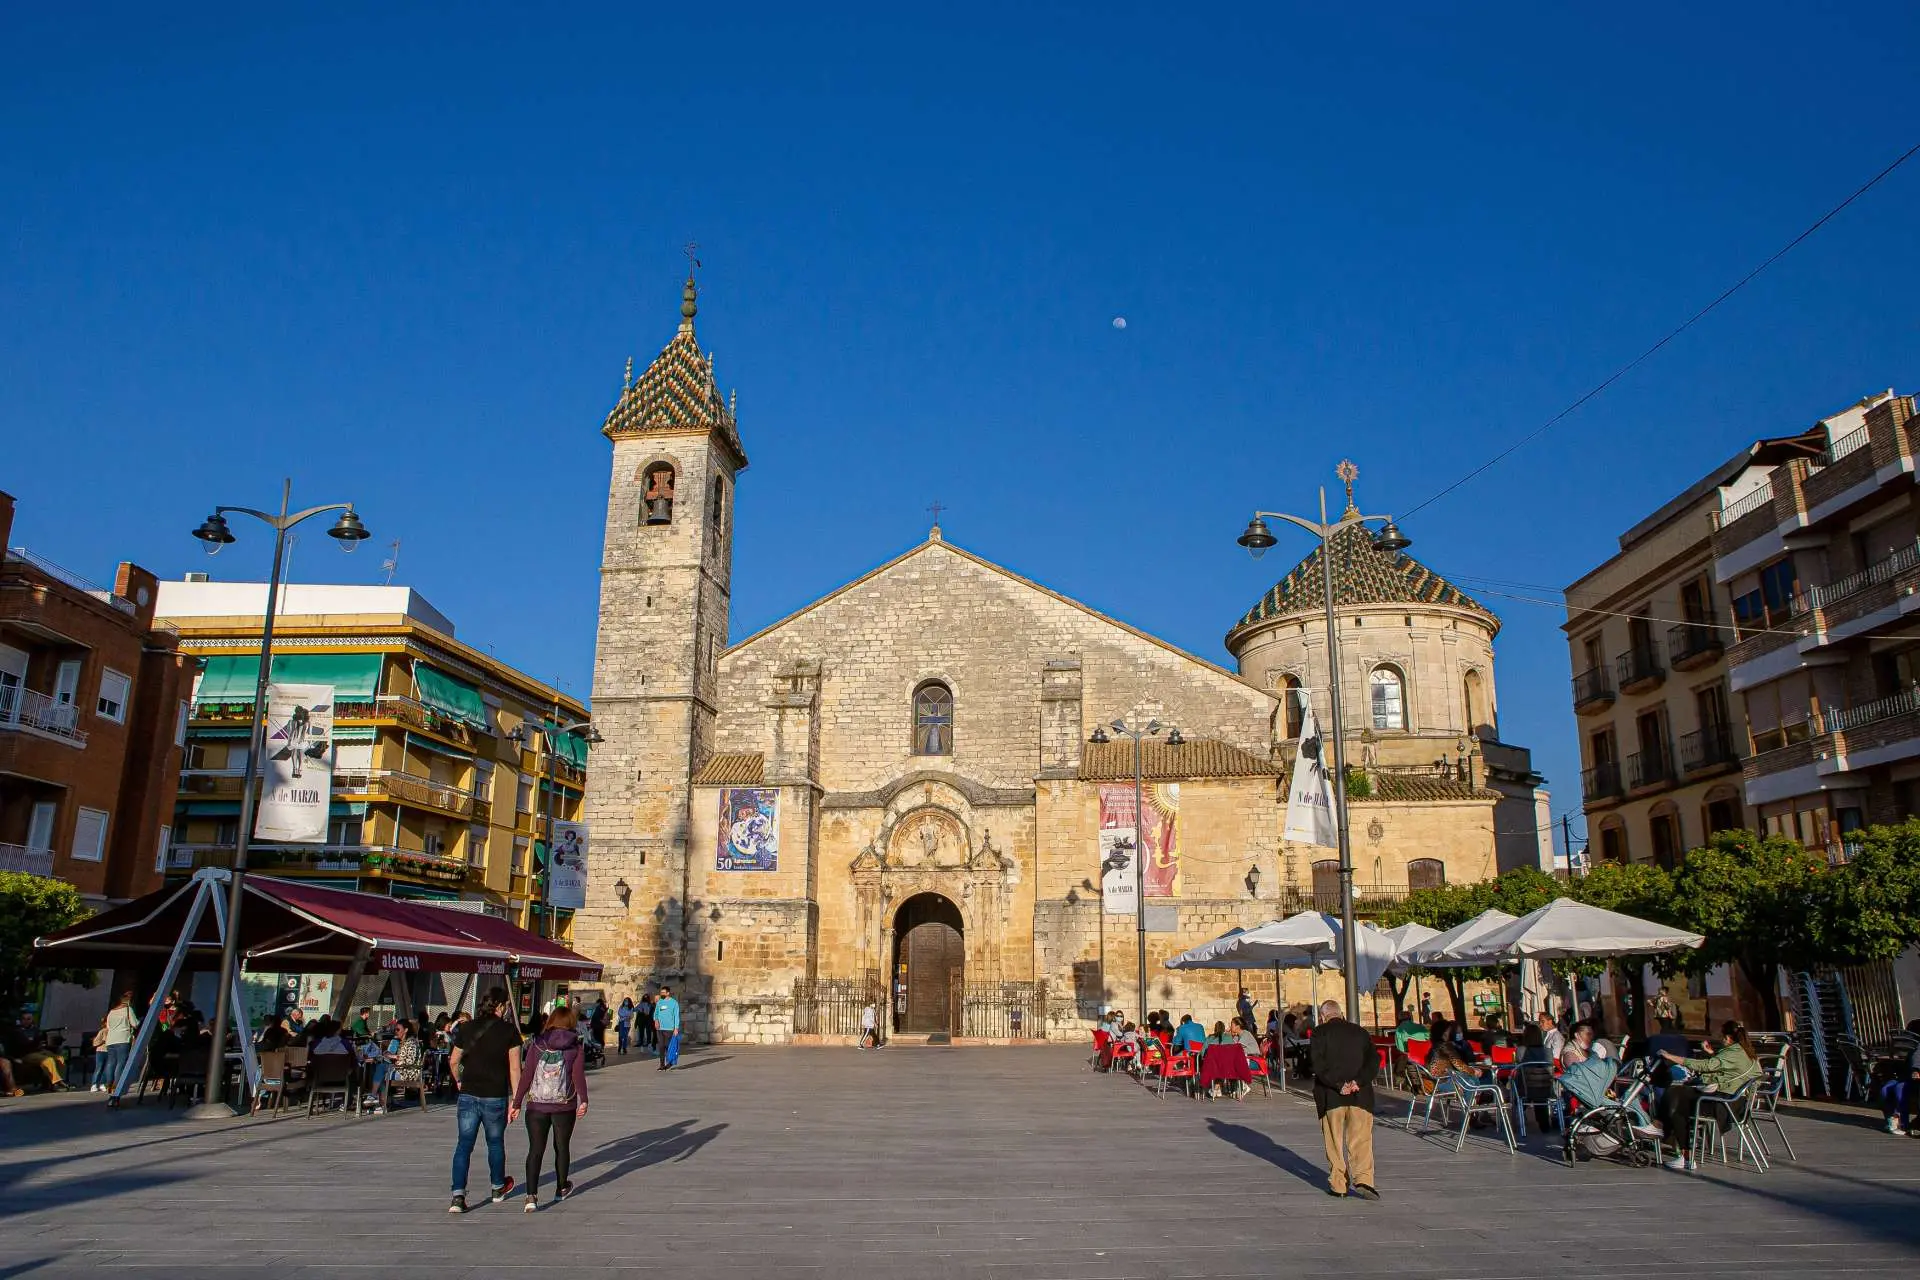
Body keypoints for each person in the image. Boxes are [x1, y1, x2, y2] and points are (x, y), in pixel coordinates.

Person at [449, 988, 523, 1212]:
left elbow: (453, 1060)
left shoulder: (466, 1028)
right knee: (495, 1142)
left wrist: (459, 1081)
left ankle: (458, 1197)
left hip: (469, 1093)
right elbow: (514, 1068)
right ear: (500, 1006)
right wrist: (516, 1099)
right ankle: (498, 1187)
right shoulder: (510, 1031)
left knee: (464, 1145)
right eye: (507, 1006)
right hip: (495, 1095)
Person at [511, 1003, 589, 1212]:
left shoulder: (537, 1043)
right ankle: (561, 1188)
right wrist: (584, 1100)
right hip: (564, 1105)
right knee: (561, 1146)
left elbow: (527, 1074)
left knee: (535, 1149)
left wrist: (516, 1102)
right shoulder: (575, 1047)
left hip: (537, 1104)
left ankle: (530, 1196)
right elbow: (578, 1076)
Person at [1656, 1020, 1761, 1172]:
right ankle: (1663, 1129)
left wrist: (1671, 1056)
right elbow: (1726, 1065)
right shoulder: (1745, 1051)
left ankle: (1685, 1156)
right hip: (1737, 1103)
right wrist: (1711, 1053)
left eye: (1722, 1036)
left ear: (1729, 1037)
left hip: (1725, 1105)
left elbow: (1705, 1066)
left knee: (1677, 1104)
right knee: (1679, 1096)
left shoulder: (1734, 1052)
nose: (1721, 1039)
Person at [1308, 1000, 1378, 1201]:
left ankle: (1339, 1184)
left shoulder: (1319, 1033)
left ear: (1323, 1016)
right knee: (1361, 1139)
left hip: (1331, 1097)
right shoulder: (1360, 1033)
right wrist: (1358, 1081)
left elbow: (1318, 1065)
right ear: (1341, 1014)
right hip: (1361, 1095)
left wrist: (1339, 1085)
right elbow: (1373, 1061)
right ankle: (1364, 1179)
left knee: (1334, 1142)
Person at [3, 1013, 67, 1091]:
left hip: (40, 1050)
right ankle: (57, 1083)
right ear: (21, 1020)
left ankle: (53, 1083)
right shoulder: (17, 1031)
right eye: (24, 1019)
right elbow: (23, 1045)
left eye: (28, 1019)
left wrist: (48, 1043)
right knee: (47, 1060)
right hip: (27, 1054)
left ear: (32, 1020)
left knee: (60, 1058)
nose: (26, 1021)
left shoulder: (35, 1030)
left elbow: (42, 1041)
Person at [93, 991, 140, 1093]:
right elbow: (135, 1024)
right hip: (123, 1038)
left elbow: (108, 1027)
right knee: (121, 1063)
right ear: (129, 1002)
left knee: (111, 1062)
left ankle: (109, 1083)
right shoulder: (128, 1009)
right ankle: (117, 1085)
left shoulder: (111, 1012)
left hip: (110, 1040)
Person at [654, 985, 681, 1070]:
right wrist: (656, 1020)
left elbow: (676, 1016)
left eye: (663, 992)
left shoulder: (674, 1003)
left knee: (667, 1046)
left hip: (669, 1028)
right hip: (660, 1028)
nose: (661, 994)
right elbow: (656, 1013)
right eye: (661, 992)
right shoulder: (660, 1002)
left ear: (668, 993)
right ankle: (662, 1065)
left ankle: (669, 1062)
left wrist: (676, 1028)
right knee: (661, 1046)